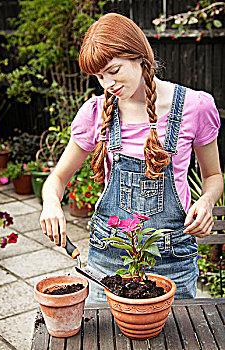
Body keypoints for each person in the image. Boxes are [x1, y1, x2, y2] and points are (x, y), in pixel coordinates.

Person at [40, 13, 224, 301]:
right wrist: (51, 202)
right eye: (99, 76)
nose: (107, 84)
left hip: (173, 261)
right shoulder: (95, 113)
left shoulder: (195, 107)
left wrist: (206, 200)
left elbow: (213, 176)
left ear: (140, 57)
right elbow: (57, 178)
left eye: (114, 70)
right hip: (107, 263)